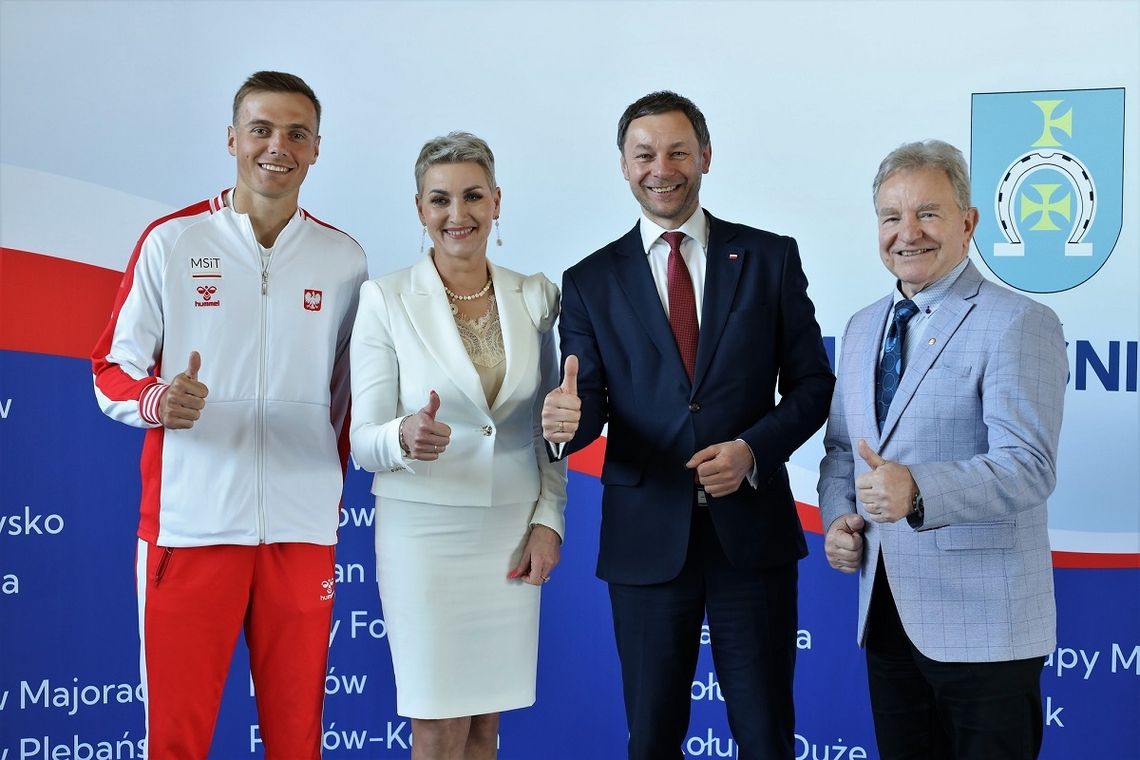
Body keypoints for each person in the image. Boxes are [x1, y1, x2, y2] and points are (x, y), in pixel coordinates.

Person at [541, 91, 834, 759]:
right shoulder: (589, 281)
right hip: (647, 544)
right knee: (651, 740)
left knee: (765, 738)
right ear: (623, 164)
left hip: (751, 538)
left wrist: (753, 450)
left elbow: (814, 385)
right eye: (645, 154)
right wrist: (564, 426)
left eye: (678, 151)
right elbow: (584, 408)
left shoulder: (768, 258)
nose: (661, 168)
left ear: (705, 156)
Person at [91, 71, 367, 758]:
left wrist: (327, 494)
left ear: (316, 148)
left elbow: (349, 402)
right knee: (178, 742)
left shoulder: (343, 260)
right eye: (262, 130)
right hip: (192, 526)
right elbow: (111, 370)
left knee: (296, 739)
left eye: (296, 133)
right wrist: (157, 399)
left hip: (300, 534)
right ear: (232, 139)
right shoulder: (173, 242)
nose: (279, 147)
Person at [817, 140, 1067, 760]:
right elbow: (843, 452)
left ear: (968, 222)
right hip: (887, 618)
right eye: (891, 217)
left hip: (987, 627)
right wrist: (838, 519)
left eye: (927, 213)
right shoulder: (860, 327)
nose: (908, 234)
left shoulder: (1018, 322)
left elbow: (1028, 466)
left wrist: (918, 488)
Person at [349, 132, 567, 760]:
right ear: (420, 209)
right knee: (437, 723)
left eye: (473, 196)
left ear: (497, 202)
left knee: (483, 726)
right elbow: (364, 440)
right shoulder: (385, 300)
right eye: (440, 200)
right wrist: (403, 436)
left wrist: (549, 518)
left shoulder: (535, 296)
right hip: (425, 535)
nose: (458, 215)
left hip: (509, 528)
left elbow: (544, 429)